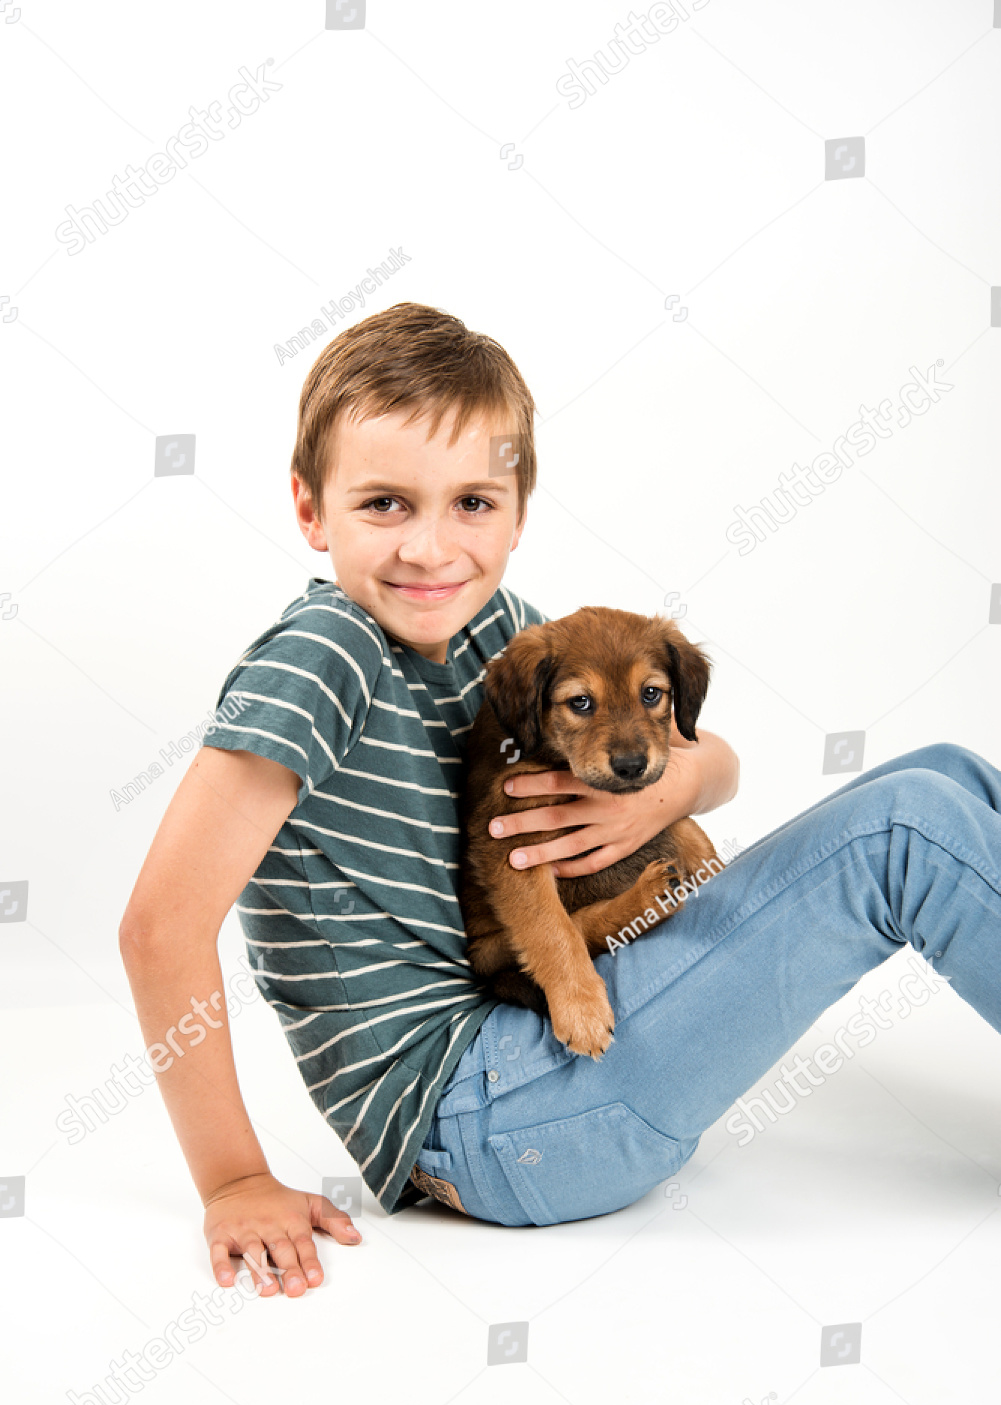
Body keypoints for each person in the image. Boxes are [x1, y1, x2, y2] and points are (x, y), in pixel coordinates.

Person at [119, 301, 1001, 1298]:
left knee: (942, 773)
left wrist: (656, 791)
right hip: (493, 1113)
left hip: (545, 1062)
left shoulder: (502, 632)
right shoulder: (323, 657)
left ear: (518, 509)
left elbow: (707, 758)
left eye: (471, 503)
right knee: (907, 834)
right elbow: (159, 929)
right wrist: (232, 1177)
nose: (429, 548)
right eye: (383, 504)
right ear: (309, 507)